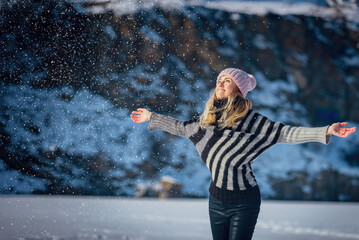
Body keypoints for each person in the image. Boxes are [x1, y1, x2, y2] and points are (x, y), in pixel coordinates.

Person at [130, 68, 356, 240]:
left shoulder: (252, 121)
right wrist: (152, 117)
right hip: (216, 200)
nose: (221, 82)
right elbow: (180, 126)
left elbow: (286, 133)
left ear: (239, 88)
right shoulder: (205, 123)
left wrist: (326, 130)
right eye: (219, 79)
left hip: (244, 201)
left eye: (227, 80)